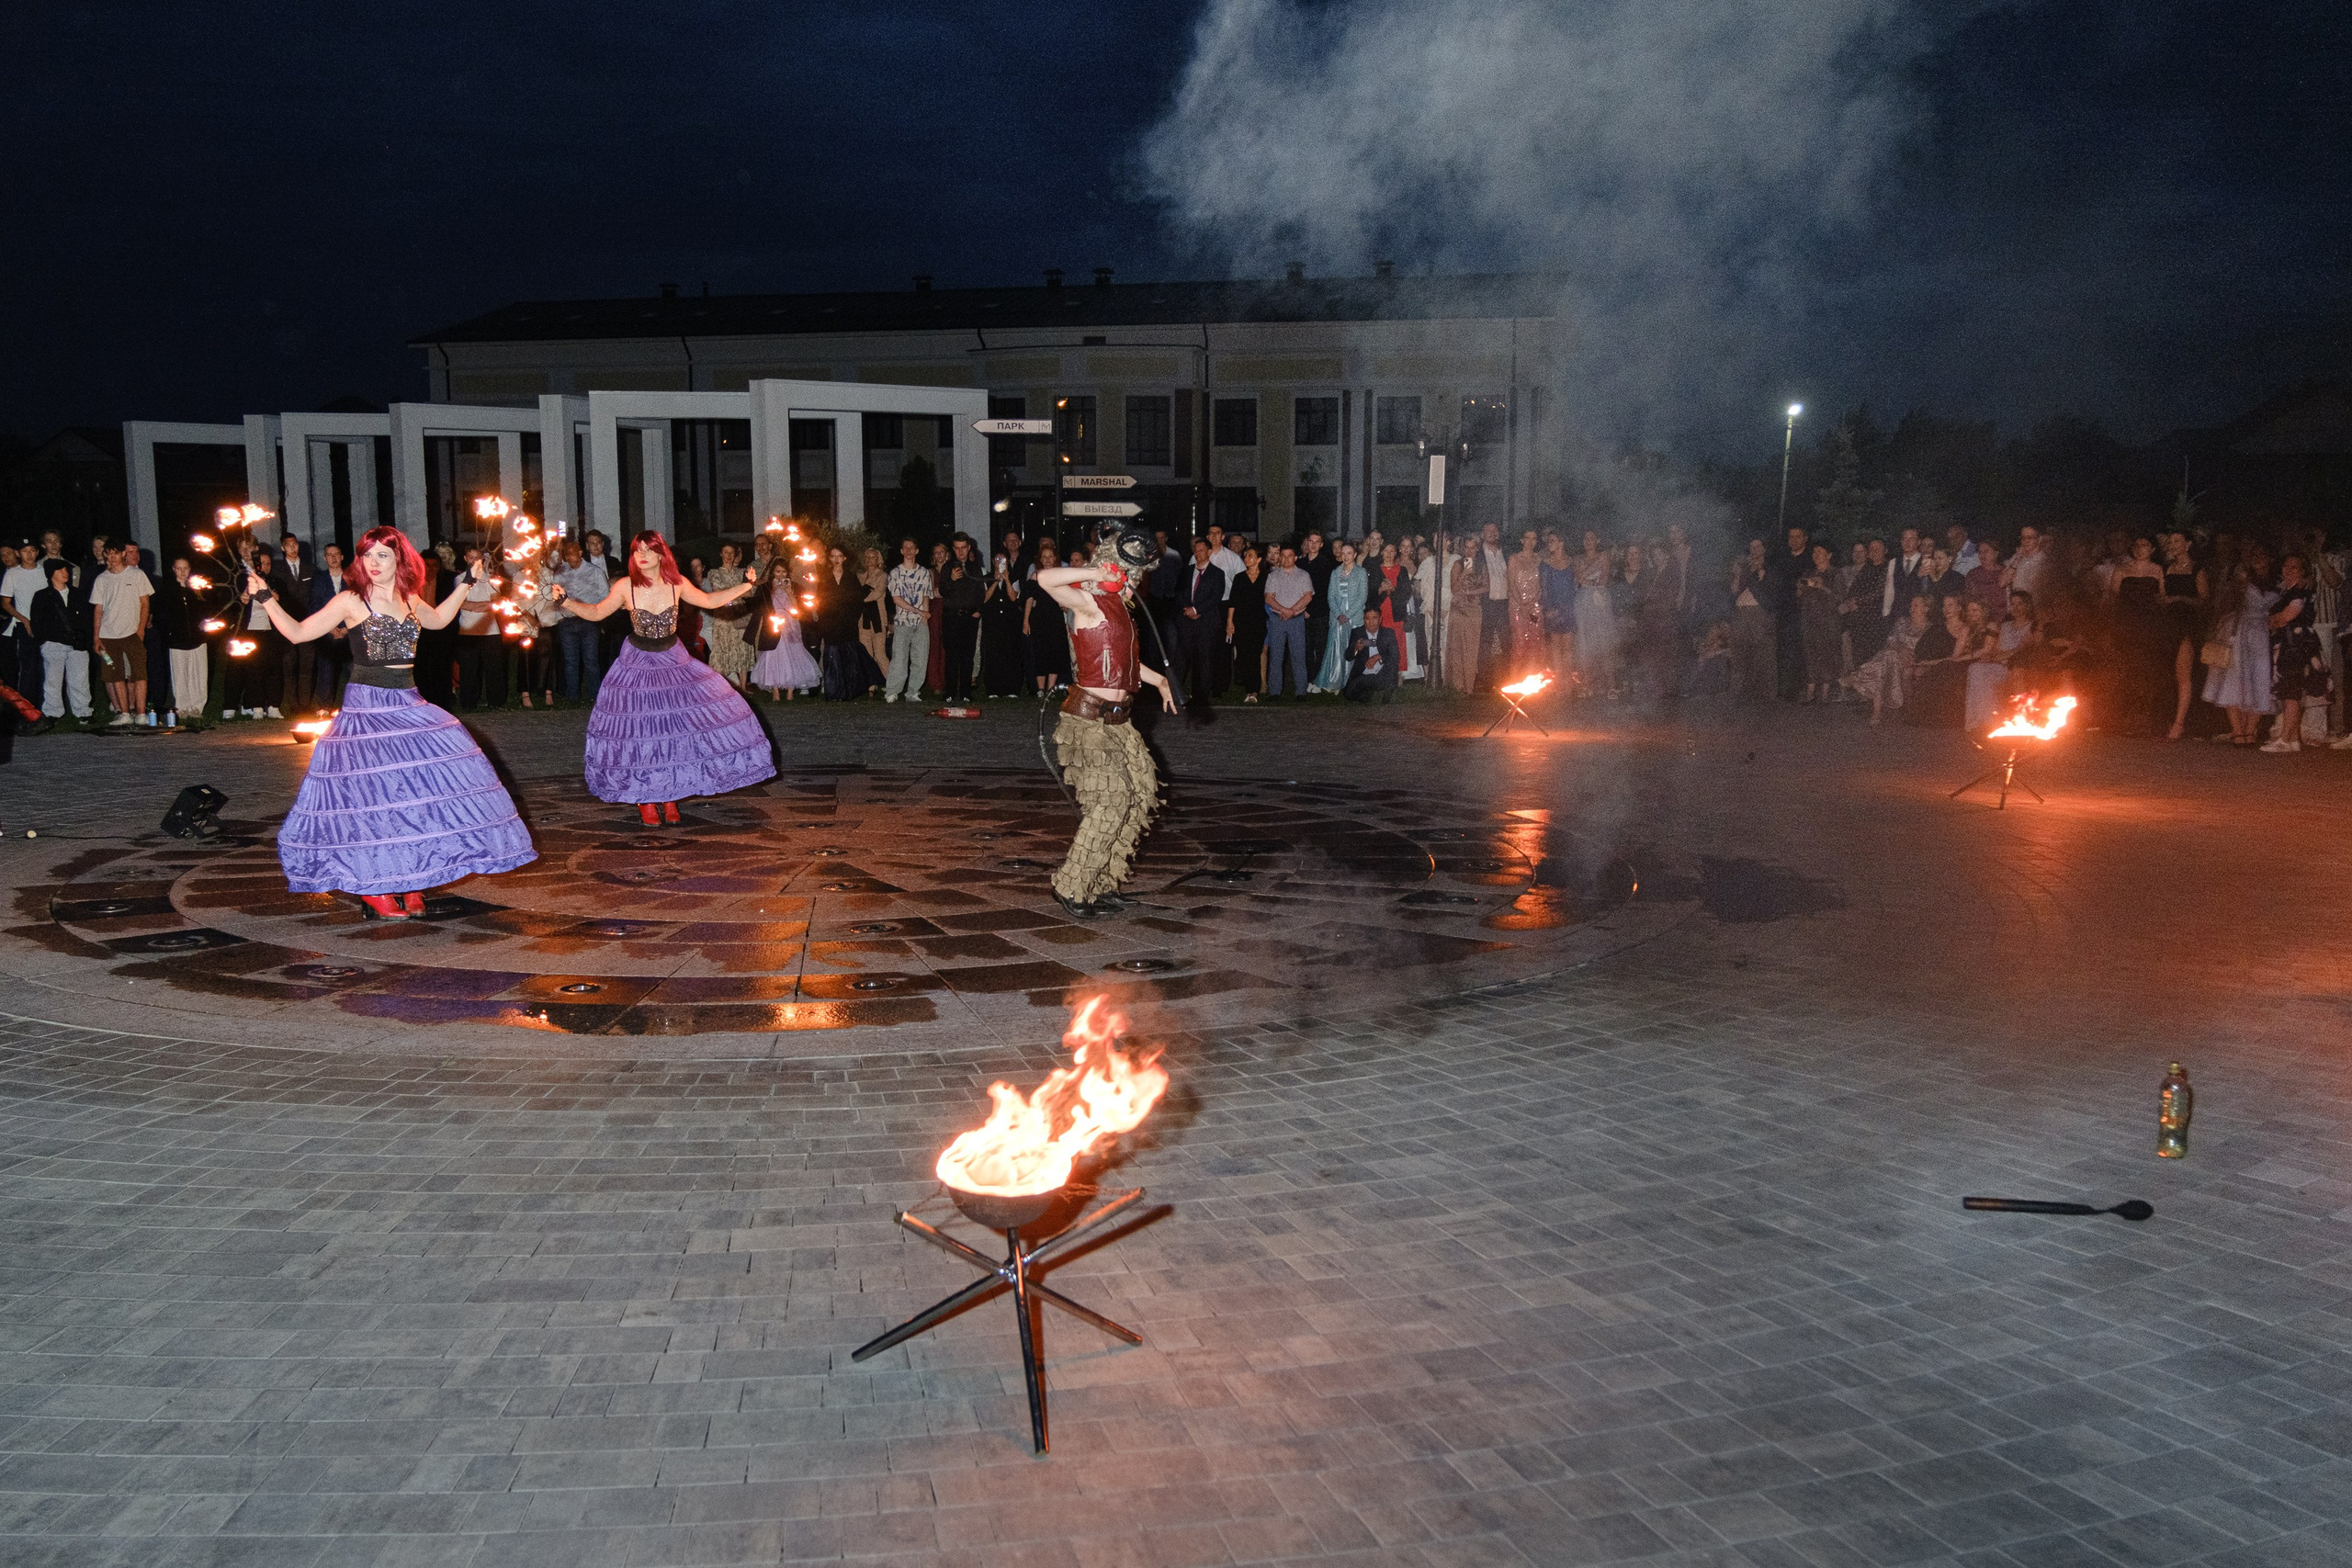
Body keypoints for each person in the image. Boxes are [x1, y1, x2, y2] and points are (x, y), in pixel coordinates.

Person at [244, 525, 535, 919]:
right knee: (373, 802)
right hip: (368, 708)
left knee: (413, 796)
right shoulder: (351, 600)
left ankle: (411, 879)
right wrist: (265, 598)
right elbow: (297, 633)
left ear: (399, 559)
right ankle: (375, 887)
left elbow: (439, 620)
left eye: (382, 555)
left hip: (408, 702)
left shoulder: (410, 598)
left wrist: (467, 581)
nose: (374, 563)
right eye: (367, 555)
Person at [556, 531, 771, 824]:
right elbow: (595, 612)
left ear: (660, 554)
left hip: (672, 660)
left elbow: (709, 601)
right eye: (636, 550)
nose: (641, 554)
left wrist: (746, 585)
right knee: (641, 732)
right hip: (637, 664)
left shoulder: (676, 583)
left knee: (672, 730)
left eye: (648, 549)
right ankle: (645, 799)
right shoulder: (624, 586)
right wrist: (566, 602)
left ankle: (669, 795)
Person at [1035, 527, 1180, 919]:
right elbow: (1044, 579)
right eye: (1129, 576)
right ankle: (1071, 885)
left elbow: (1124, 663)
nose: (1134, 585)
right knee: (1110, 802)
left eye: (1136, 578)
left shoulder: (1121, 610)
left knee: (1140, 796)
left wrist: (1159, 680)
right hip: (1088, 722)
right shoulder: (1088, 603)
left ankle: (1101, 883)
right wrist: (1099, 575)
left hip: (1119, 722)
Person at [2202, 547, 2277, 747]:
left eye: (2263, 556)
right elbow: (2224, 604)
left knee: (2260, 679)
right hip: (2240, 633)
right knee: (2234, 680)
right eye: (2255, 556)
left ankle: (2250, 730)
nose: (2259, 560)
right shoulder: (2242, 580)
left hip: (2263, 635)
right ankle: (2237, 730)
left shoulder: (2276, 582)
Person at [2263, 553, 2324, 753]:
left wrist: (2275, 619)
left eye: (2294, 567)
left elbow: (2289, 615)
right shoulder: (2287, 592)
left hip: (2296, 644)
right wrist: (2276, 620)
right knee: (2289, 690)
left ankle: (2285, 738)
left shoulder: (2301, 591)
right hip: (2287, 643)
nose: (2288, 570)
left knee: (2291, 692)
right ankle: (2293, 738)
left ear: (2303, 571)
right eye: (2286, 566)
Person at [2107, 536, 2167, 737]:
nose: (2141, 548)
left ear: (2152, 549)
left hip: (2149, 625)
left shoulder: (2158, 570)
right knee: (2127, 671)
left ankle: (2144, 721)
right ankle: (2123, 720)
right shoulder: (2122, 569)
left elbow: (2162, 597)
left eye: (2145, 545)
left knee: (2146, 672)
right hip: (2127, 624)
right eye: (2138, 545)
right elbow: (2113, 597)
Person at [89, 542, 153, 726]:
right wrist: (96, 637)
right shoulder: (102, 579)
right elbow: (98, 609)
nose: (112, 557)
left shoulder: (137, 574)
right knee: (115, 675)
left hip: (132, 633)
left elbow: (145, 604)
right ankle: (124, 713)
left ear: (123, 554)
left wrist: (140, 629)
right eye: (108, 554)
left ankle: (141, 714)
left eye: (115, 553)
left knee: (139, 674)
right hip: (109, 634)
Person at [750, 550, 820, 698]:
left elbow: (797, 609)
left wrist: (789, 592)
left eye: (783, 572)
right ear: (772, 572)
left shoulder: (794, 587)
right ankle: (775, 689)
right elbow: (761, 606)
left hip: (790, 624)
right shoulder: (767, 587)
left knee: (792, 654)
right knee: (773, 655)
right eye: (777, 572)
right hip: (773, 625)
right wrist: (772, 590)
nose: (780, 575)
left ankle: (790, 690)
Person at [1850, 593, 1929, 725]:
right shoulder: (1902, 622)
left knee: (1885, 662)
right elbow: (1890, 641)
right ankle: (1876, 711)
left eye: (1916, 605)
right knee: (1889, 657)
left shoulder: (1929, 628)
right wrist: (1900, 650)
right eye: (1911, 605)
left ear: (1926, 608)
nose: (1912, 608)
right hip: (1894, 657)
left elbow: (1927, 650)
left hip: (1912, 661)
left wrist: (1909, 655)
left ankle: (1860, 677)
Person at [549, 536, 611, 703]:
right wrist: (559, 617)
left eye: (572, 553)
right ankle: (573, 697)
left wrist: (597, 614)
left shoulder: (595, 572)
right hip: (568, 621)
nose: (569, 557)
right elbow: (554, 597)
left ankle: (595, 696)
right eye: (566, 554)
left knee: (591, 660)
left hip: (588, 621)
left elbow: (604, 596)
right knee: (570, 661)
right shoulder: (561, 573)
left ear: (580, 552)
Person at [153, 558, 213, 724]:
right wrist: (169, 633)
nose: (182, 572)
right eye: (179, 568)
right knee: (180, 674)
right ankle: (183, 706)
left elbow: (208, 610)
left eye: (185, 568)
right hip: (177, 640)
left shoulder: (197, 589)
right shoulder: (167, 590)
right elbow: (161, 614)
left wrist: (204, 625)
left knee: (198, 673)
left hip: (198, 639)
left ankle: (197, 706)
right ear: (173, 569)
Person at [2158, 531, 2206, 742]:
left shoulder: (2197, 570)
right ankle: (2167, 719)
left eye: (2177, 541)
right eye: (2171, 541)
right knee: (2167, 673)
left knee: (2183, 674)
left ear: (2187, 544)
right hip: (2167, 624)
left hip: (2186, 624)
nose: (2173, 544)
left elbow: (2203, 599)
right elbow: (2161, 595)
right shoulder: (2166, 569)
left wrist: (2180, 598)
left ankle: (2179, 723)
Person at [30, 562, 91, 726]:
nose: (66, 573)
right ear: (51, 574)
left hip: (78, 645)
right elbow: (37, 623)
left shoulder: (78, 594)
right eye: (61, 570)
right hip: (54, 644)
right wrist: (45, 641)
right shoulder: (42, 596)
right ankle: (52, 712)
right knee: (53, 679)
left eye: (66, 569)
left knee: (80, 679)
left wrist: (84, 639)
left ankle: (83, 711)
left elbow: (86, 619)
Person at [453, 546, 509, 712]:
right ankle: (469, 704)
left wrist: (474, 606)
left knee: (494, 669)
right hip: (468, 630)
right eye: (470, 557)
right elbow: (460, 603)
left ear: (482, 559)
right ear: (465, 559)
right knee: (469, 670)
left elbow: (497, 604)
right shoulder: (460, 579)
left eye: (477, 558)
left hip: (490, 630)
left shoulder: (491, 579)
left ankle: (496, 703)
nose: (474, 561)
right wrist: (484, 605)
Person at [1174, 535, 1226, 703]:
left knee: (1204, 660)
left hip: (1206, 622)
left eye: (1202, 550)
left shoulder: (1217, 573)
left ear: (1209, 552)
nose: (1198, 554)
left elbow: (1215, 596)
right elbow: (1179, 593)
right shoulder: (1186, 571)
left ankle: (1200, 694)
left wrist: (1197, 609)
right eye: (1196, 551)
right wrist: (1187, 610)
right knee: (1182, 658)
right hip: (1187, 622)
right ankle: (1176, 693)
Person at [883, 537, 933, 702]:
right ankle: (892, 691)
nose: (909, 550)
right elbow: (897, 599)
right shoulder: (895, 573)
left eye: (912, 548)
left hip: (920, 621)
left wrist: (925, 615)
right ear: (902, 551)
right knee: (900, 657)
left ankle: (913, 691)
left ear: (917, 551)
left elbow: (926, 594)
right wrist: (917, 611)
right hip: (903, 621)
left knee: (920, 657)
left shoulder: (924, 572)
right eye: (906, 548)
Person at [937, 536, 986, 702]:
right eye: (957, 548)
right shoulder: (947, 568)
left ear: (969, 547)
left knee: (967, 656)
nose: (960, 551)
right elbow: (943, 591)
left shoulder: (975, 568)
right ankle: (950, 692)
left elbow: (981, 592)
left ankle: (966, 692)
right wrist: (951, 580)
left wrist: (978, 611)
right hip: (951, 617)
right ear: (953, 549)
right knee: (951, 656)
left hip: (969, 618)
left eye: (963, 547)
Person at [1315, 540, 1367, 692]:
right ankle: (1335, 679)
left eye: (1349, 553)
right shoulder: (1335, 572)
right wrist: (1338, 615)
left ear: (1355, 554)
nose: (1345, 556)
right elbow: (1330, 596)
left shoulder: (1361, 572)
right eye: (1343, 553)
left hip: (1353, 615)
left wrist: (1348, 615)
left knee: (1353, 648)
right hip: (1337, 616)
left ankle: (1351, 681)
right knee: (1337, 647)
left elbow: (1362, 597)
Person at [700, 542, 753, 690]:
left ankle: (743, 687)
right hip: (723, 617)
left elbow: (750, 592)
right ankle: (722, 687)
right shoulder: (714, 573)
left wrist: (733, 593)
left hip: (739, 616)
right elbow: (719, 591)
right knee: (723, 648)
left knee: (742, 648)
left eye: (731, 553)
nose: (729, 556)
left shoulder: (743, 572)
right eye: (726, 552)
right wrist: (738, 591)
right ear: (721, 554)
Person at [1572, 530, 1618, 699]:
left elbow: (1603, 580)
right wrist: (1588, 579)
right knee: (1585, 642)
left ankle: (1610, 685)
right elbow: (1577, 578)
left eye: (1592, 538)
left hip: (1600, 601)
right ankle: (1587, 683)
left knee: (1603, 641)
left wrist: (1587, 580)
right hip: (1583, 601)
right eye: (1586, 538)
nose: (1588, 541)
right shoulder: (1577, 559)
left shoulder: (1603, 556)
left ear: (1597, 540)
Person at [1263, 545, 1313, 699]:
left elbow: (1307, 596)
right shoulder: (1273, 576)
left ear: (1295, 557)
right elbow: (1268, 598)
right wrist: (1284, 610)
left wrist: (1291, 611)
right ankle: (1275, 691)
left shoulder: (1304, 575)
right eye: (1283, 556)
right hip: (1277, 620)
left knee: (1298, 656)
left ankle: (1300, 691)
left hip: (1296, 620)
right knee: (1276, 656)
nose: (1286, 559)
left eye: (1289, 555)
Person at [1023, 539, 1073, 692]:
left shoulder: (1061, 575)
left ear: (1055, 558)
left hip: (1057, 618)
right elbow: (1029, 599)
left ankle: (1050, 689)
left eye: (1050, 556)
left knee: (1055, 652)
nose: (1047, 559)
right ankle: (1040, 690)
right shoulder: (1035, 576)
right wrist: (1026, 621)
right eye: (1044, 557)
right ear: (1040, 559)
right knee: (1040, 652)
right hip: (1039, 618)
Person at [1729, 539, 1775, 704]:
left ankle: (1766, 693)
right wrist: (1737, 574)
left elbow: (1771, 590)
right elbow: (1734, 590)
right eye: (1751, 547)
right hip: (1741, 611)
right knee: (1740, 651)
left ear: (1764, 549)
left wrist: (1762, 573)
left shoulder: (1769, 567)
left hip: (1758, 611)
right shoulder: (1744, 568)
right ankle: (1738, 692)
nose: (1754, 550)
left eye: (1758, 547)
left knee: (1763, 651)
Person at [2, 542, 45, 703]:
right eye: (25, 551)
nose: (29, 554)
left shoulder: (44, 570)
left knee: (46, 668)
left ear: (37, 552)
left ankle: (48, 709)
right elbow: (5, 603)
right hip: (24, 626)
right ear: (18, 553)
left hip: (44, 626)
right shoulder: (12, 574)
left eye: (32, 550)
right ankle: (28, 709)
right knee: (28, 667)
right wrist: (24, 619)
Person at [1798, 543, 1841, 703]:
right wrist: (1801, 587)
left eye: (1820, 552)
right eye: (1814, 552)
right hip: (1808, 620)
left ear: (1829, 555)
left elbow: (1839, 597)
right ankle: (1810, 691)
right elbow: (1800, 596)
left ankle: (1825, 692)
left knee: (1826, 654)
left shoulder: (1835, 573)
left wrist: (1822, 586)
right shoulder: (1808, 573)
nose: (1816, 555)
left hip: (1827, 621)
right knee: (1810, 653)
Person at [311, 543, 353, 710]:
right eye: (329, 554)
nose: (333, 557)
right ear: (324, 558)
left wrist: (347, 628)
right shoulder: (319, 580)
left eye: (336, 554)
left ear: (342, 557)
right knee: (326, 670)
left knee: (352, 670)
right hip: (327, 632)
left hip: (349, 632)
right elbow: (314, 605)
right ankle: (324, 709)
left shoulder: (352, 579)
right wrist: (329, 628)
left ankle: (353, 707)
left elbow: (359, 603)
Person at [1444, 535, 1486, 695]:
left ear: (1477, 549)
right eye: (1466, 547)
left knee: (1471, 648)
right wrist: (1464, 574)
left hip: (1474, 608)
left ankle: (1469, 686)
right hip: (1459, 607)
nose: (1469, 551)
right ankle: (1457, 684)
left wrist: (1471, 591)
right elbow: (1454, 588)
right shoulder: (1457, 564)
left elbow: (1486, 586)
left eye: (1472, 547)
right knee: (1457, 646)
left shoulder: (1481, 565)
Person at [981, 552, 1027, 697]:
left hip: (1010, 622)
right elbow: (984, 598)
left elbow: (1014, 597)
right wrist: (995, 581)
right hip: (992, 622)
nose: (1000, 563)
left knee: (1010, 654)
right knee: (993, 654)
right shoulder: (987, 578)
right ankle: (993, 689)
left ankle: (1011, 689)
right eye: (997, 560)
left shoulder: (1014, 577)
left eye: (1003, 560)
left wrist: (1006, 580)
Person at [1227, 543, 1268, 703]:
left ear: (1258, 559)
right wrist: (1229, 622)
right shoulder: (1240, 578)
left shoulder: (1266, 577)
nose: (1246, 558)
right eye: (1245, 556)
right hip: (1241, 621)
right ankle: (1247, 686)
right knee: (1243, 655)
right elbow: (1233, 602)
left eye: (1250, 555)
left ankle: (1253, 691)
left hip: (1258, 621)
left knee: (1255, 654)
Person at [1299, 531, 1337, 690]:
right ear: (1306, 542)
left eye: (1317, 542)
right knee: (1306, 648)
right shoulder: (1300, 564)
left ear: (1321, 545)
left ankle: (1319, 680)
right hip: (1301, 612)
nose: (1313, 544)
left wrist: (1311, 610)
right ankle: (1309, 679)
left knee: (1320, 648)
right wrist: (1302, 609)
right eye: (1311, 541)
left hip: (1320, 613)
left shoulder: (1325, 564)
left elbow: (1324, 591)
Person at [1537, 533, 1576, 685]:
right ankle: (1559, 682)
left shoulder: (1571, 562)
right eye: (1548, 541)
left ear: (1561, 542)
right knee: (1556, 647)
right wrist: (1547, 609)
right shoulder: (1545, 564)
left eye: (1553, 540)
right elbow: (1543, 587)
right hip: (1552, 609)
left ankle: (1568, 681)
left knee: (1568, 648)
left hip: (1567, 609)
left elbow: (1574, 587)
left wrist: (1565, 608)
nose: (1549, 544)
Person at [1506, 529, 1544, 680]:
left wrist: (1533, 602)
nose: (1531, 542)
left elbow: (1542, 584)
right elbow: (1511, 583)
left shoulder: (1539, 559)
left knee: (1536, 641)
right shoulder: (1514, 559)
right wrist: (1522, 605)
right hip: (1518, 606)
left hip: (1535, 606)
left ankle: (1533, 681)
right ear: (1522, 540)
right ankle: (1515, 680)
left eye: (1534, 538)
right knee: (1520, 642)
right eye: (1527, 538)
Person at [856, 547, 891, 676]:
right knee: (866, 653)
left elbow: (876, 594)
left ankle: (891, 684)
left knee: (880, 654)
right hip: (863, 620)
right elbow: (856, 592)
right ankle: (870, 685)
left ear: (878, 560)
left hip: (878, 620)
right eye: (867, 557)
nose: (869, 559)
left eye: (873, 557)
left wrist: (860, 597)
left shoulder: (883, 575)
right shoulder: (860, 576)